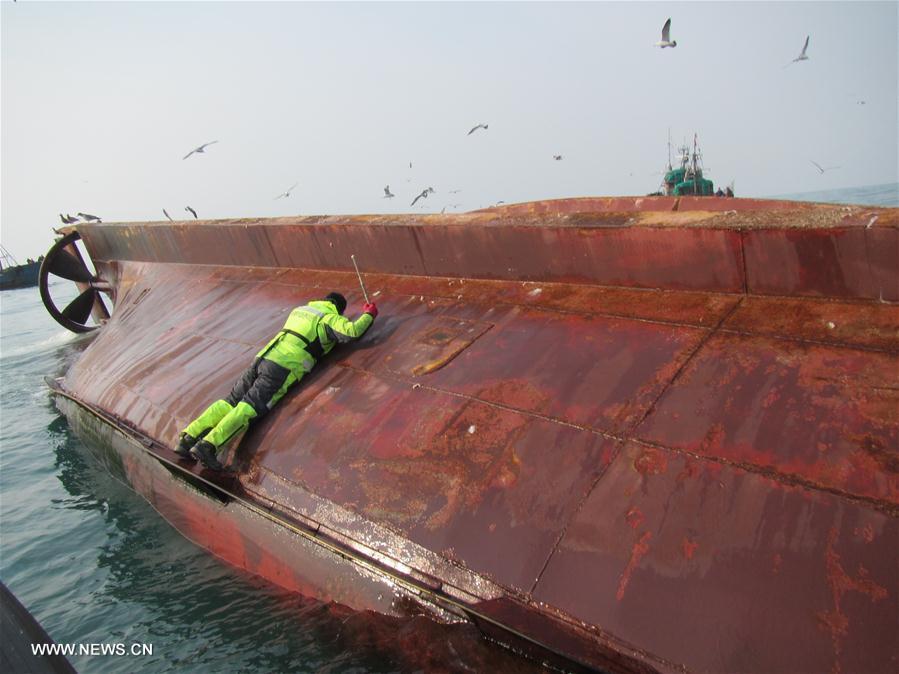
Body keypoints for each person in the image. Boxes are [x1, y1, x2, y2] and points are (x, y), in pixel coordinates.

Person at [174, 291, 378, 470]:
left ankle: (188, 438)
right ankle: (209, 446)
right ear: (338, 309)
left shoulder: (301, 310)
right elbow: (352, 331)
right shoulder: (327, 318)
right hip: (282, 366)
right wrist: (369, 314)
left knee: (230, 401)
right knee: (250, 406)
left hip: (262, 357)